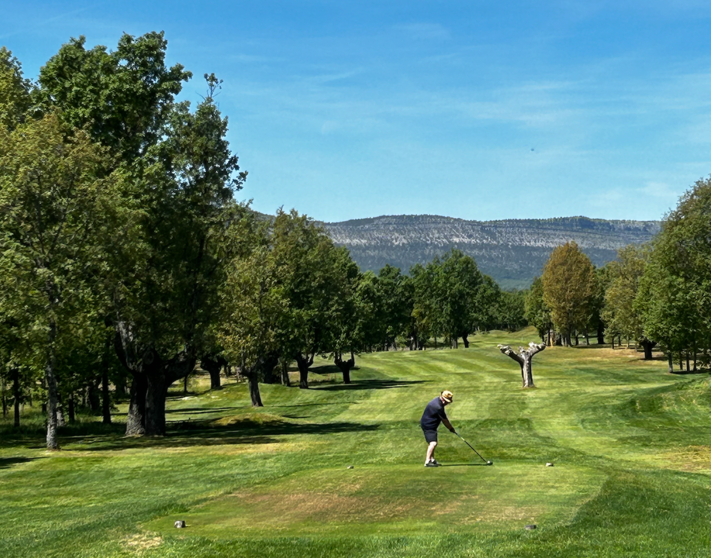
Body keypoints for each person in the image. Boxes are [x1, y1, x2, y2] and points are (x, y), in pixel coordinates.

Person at [420, 390, 455, 467]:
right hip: (428, 425)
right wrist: (451, 428)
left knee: (432, 443)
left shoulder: (437, 401)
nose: (447, 403)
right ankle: (427, 461)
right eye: (446, 401)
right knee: (433, 443)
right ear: (442, 398)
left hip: (430, 424)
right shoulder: (438, 406)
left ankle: (432, 459)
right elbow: (445, 420)